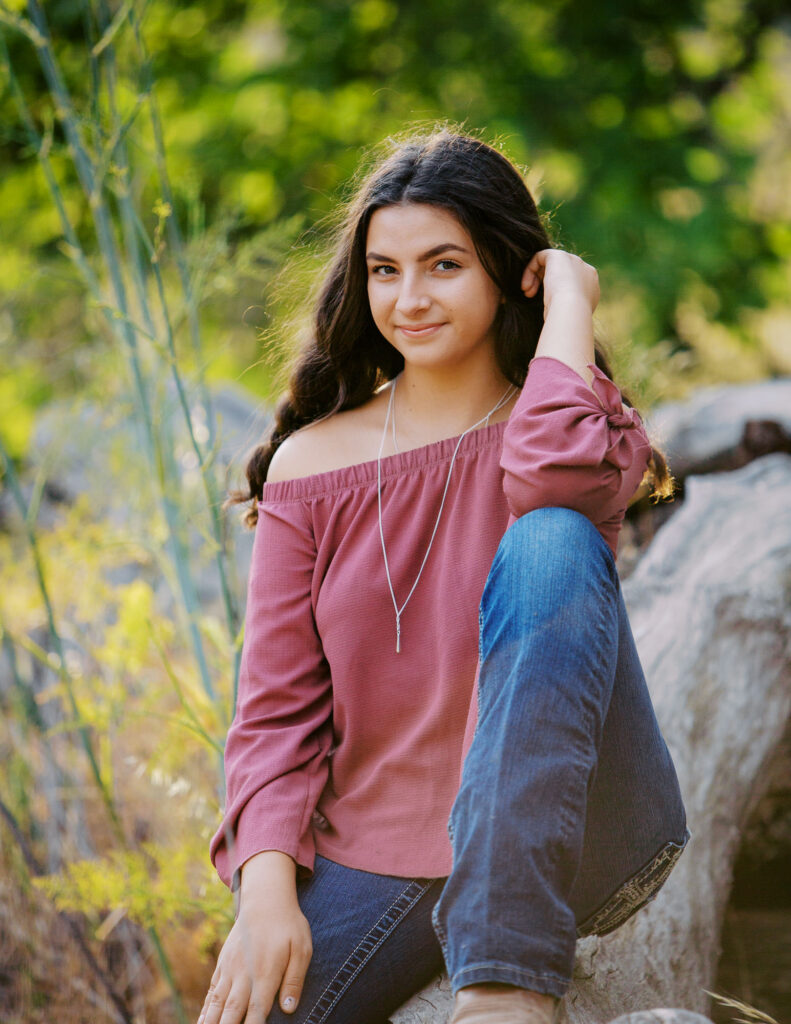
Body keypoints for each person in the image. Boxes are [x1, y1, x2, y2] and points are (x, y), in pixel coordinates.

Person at [197, 129, 690, 1024]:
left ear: (508, 268)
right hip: (377, 850)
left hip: (569, 828)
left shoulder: (572, 429)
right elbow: (274, 711)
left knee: (550, 537)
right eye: (384, 270)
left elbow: (549, 482)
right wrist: (265, 896)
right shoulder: (310, 464)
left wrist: (569, 298)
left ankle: (505, 983)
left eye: (444, 265)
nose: (409, 298)